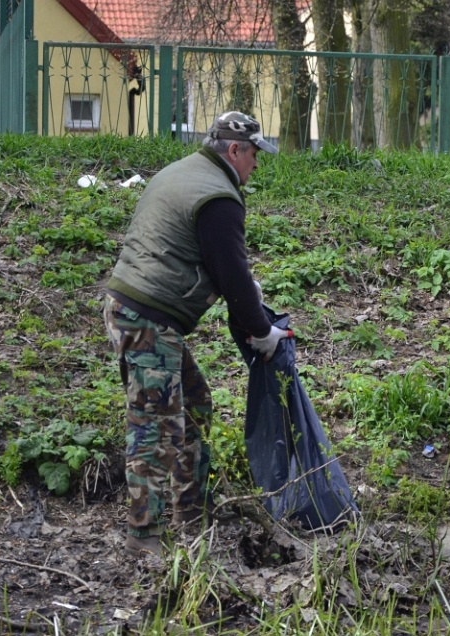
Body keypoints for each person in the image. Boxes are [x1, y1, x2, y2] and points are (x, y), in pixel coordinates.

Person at [102, 111, 290, 557]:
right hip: (147, 319)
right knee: (156, 426)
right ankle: (145, 537)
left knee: (196, 404)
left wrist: (246, 296)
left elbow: (210, 259)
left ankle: (191, 512)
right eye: (254, 154)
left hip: (133, 307)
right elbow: (232, 276)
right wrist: (263, 332)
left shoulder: (184, 172)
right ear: (234, 150)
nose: (256, 164)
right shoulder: (218, 196)